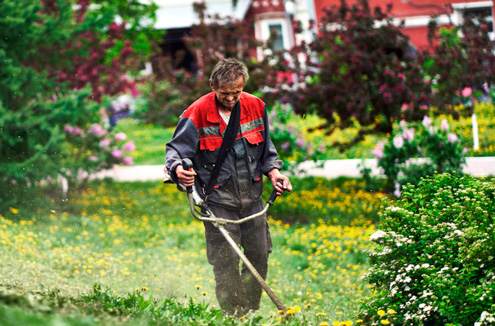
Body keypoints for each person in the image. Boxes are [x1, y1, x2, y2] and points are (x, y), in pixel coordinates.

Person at [165, 58, 292, 316]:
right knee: (226, 262)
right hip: (218, 202)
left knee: (258, 256)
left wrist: (276, 174)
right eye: (225, 93)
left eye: (237, 92)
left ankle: (251, 312)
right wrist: (179, 170)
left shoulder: (256, 106)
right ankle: (235, 316)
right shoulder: (196, 113)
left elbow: (268, 153)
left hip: (253, 199)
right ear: (213, 85)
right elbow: (176, 151)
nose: (232, 98)